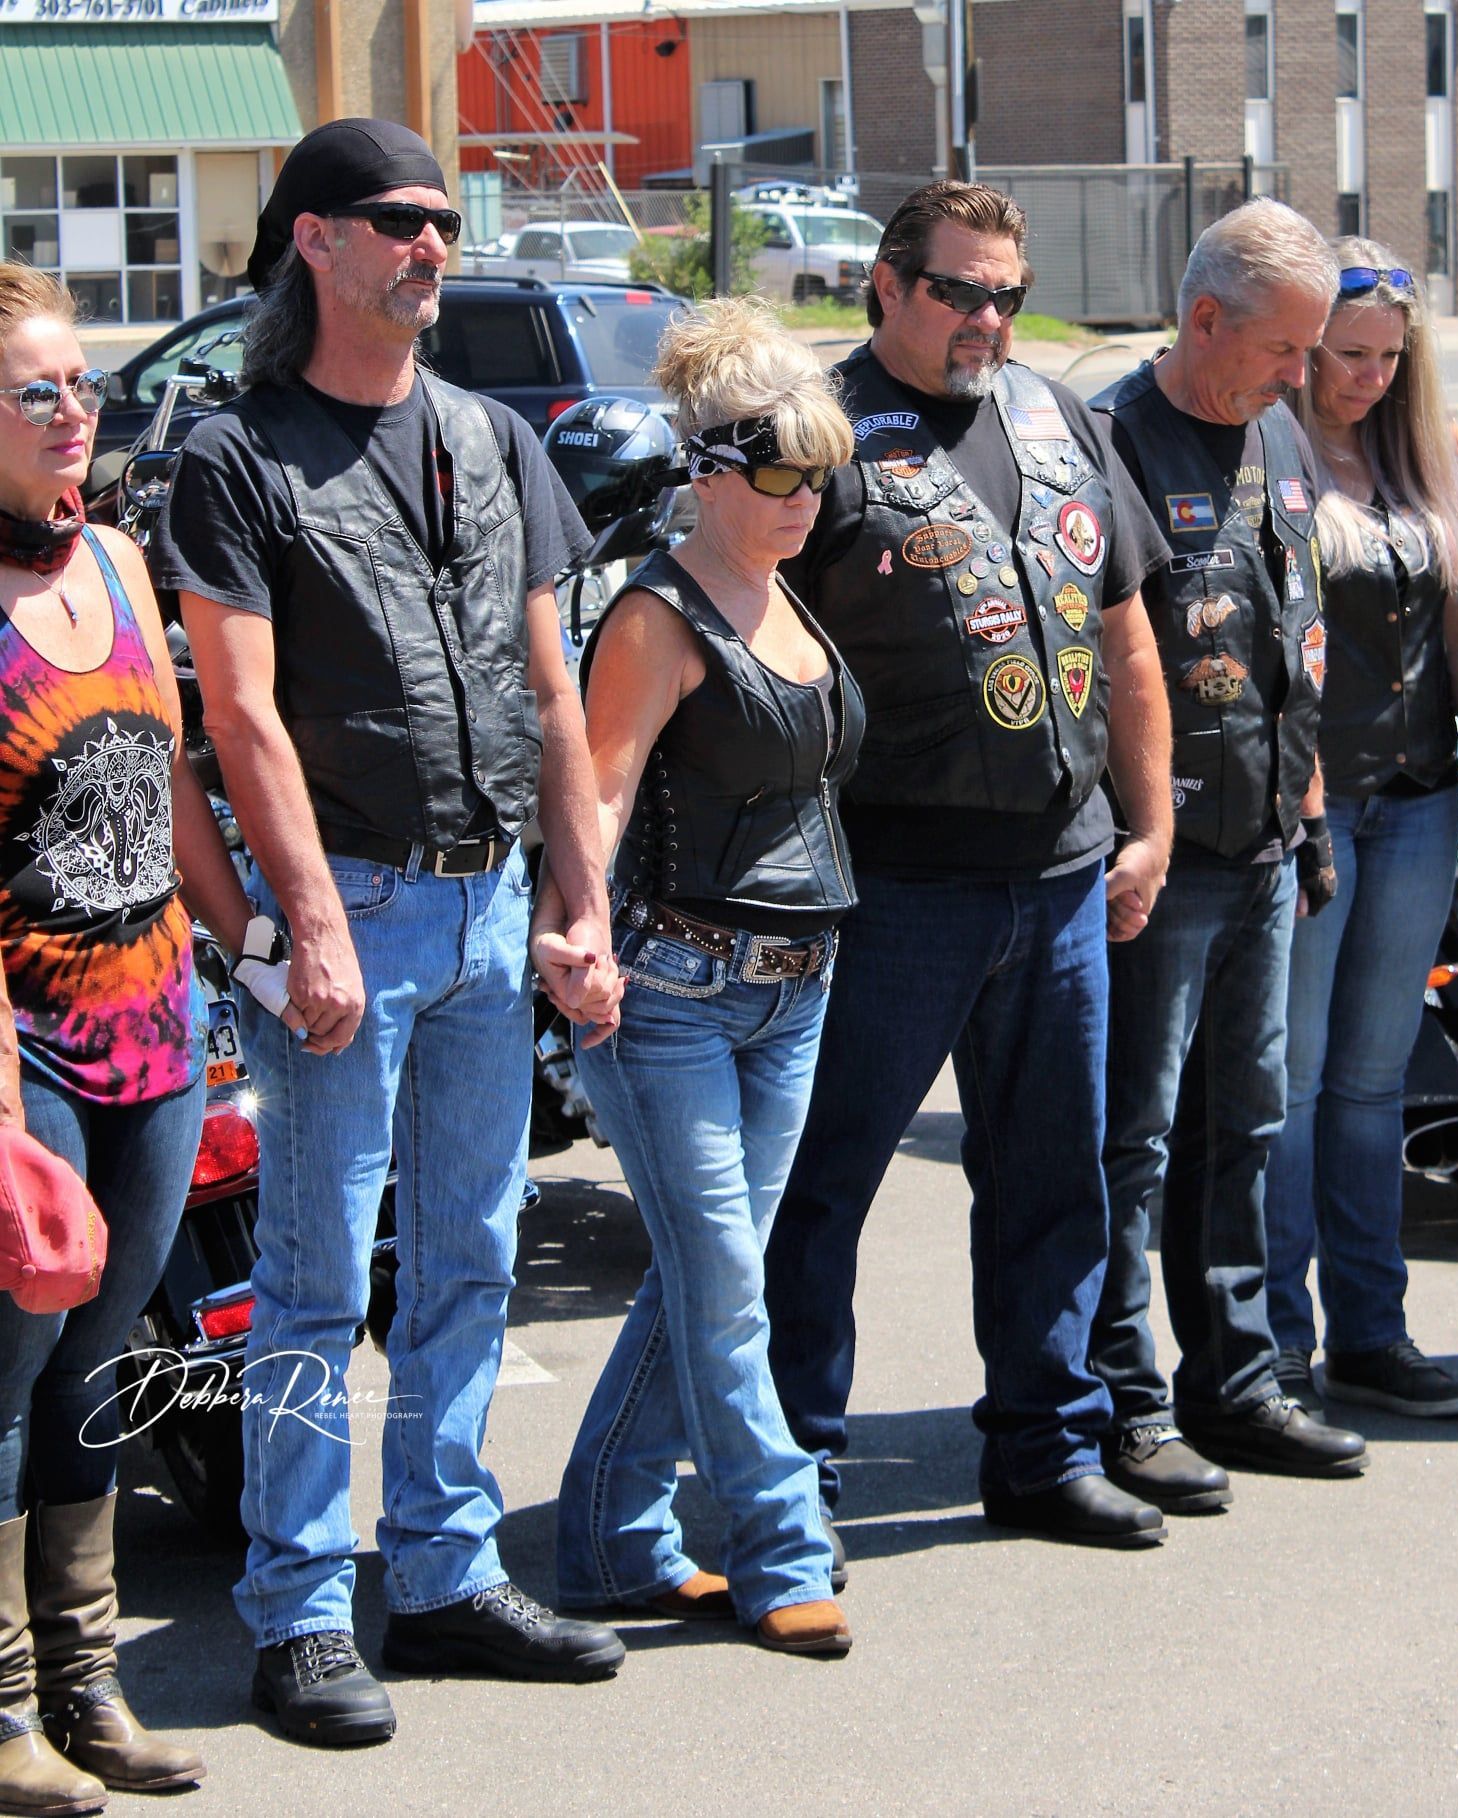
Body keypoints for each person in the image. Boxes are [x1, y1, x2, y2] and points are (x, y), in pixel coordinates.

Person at [153, 119, 626, 1747]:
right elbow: (241, 715)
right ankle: (296, 1608)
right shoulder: (235, 452)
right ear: (313, 243)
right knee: (306, 1278)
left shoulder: (494, 439)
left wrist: (579, 902)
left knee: (474, 1252)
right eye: (394, 220)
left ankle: (439, 1571)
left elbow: (551, 690)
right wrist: (304, 923)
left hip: (495, 901)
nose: (429, 244)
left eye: (438, 220)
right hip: (348, 903)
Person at [763, 178, 1176, 1556]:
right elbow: (724, 634)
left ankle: (1046, 1448)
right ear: (886, 285)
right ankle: (795, 1473)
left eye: (1008, 290)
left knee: (1058, 1179)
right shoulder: (812, 434)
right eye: (961, 291)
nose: (989, 317)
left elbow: (1125, 638)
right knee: (822, 1190)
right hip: (892, 889)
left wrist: (1151, 822)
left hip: (1060, 876)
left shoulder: (1058, 416)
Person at [552, 299, 861, 1657]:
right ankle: (782, 1542)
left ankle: (612, 1536)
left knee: (704, 1276)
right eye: (783, 470)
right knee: (726, 1280)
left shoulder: (781, 581)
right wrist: (579, 937)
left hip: (796, 985)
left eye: (820, 469)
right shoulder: (656, 610)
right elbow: (599, 792)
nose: (808, 497)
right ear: (713, 469)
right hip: (671, 988)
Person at [0, 264, 254, 1809]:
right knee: (6, 1362)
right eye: (39, 390)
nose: (75, 410)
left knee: (104, 1359)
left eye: (82, 384)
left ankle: (88, 1686)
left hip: (157, 1022)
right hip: (26, 1043)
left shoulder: (115, 556)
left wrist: (257, 945)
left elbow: (168, 789)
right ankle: (5, 1707)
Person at [1091, 199, 1369, 1490]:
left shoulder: (1274, 436)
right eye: (1285, 350)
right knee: (1133, 1139)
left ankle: (1238, 1381)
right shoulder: (1109, 448)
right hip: (1163, 854)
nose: (1301, 376)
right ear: (1206, 319)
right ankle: (1122, 1398)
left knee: (1243, 1123)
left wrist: (1306, 821)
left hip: (1262, 838)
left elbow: (1285, 652)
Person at [1261, 243, 1458, 1419]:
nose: (1369, 379)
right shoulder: (1273, 451)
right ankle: (1278, 1342)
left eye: (1391, 358)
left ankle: (1372, 1331)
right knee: (1290, 1084)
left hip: (1418, 803)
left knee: (1373, 1085)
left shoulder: (1418, 459)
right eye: (1349, 356)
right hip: (1315, 805)